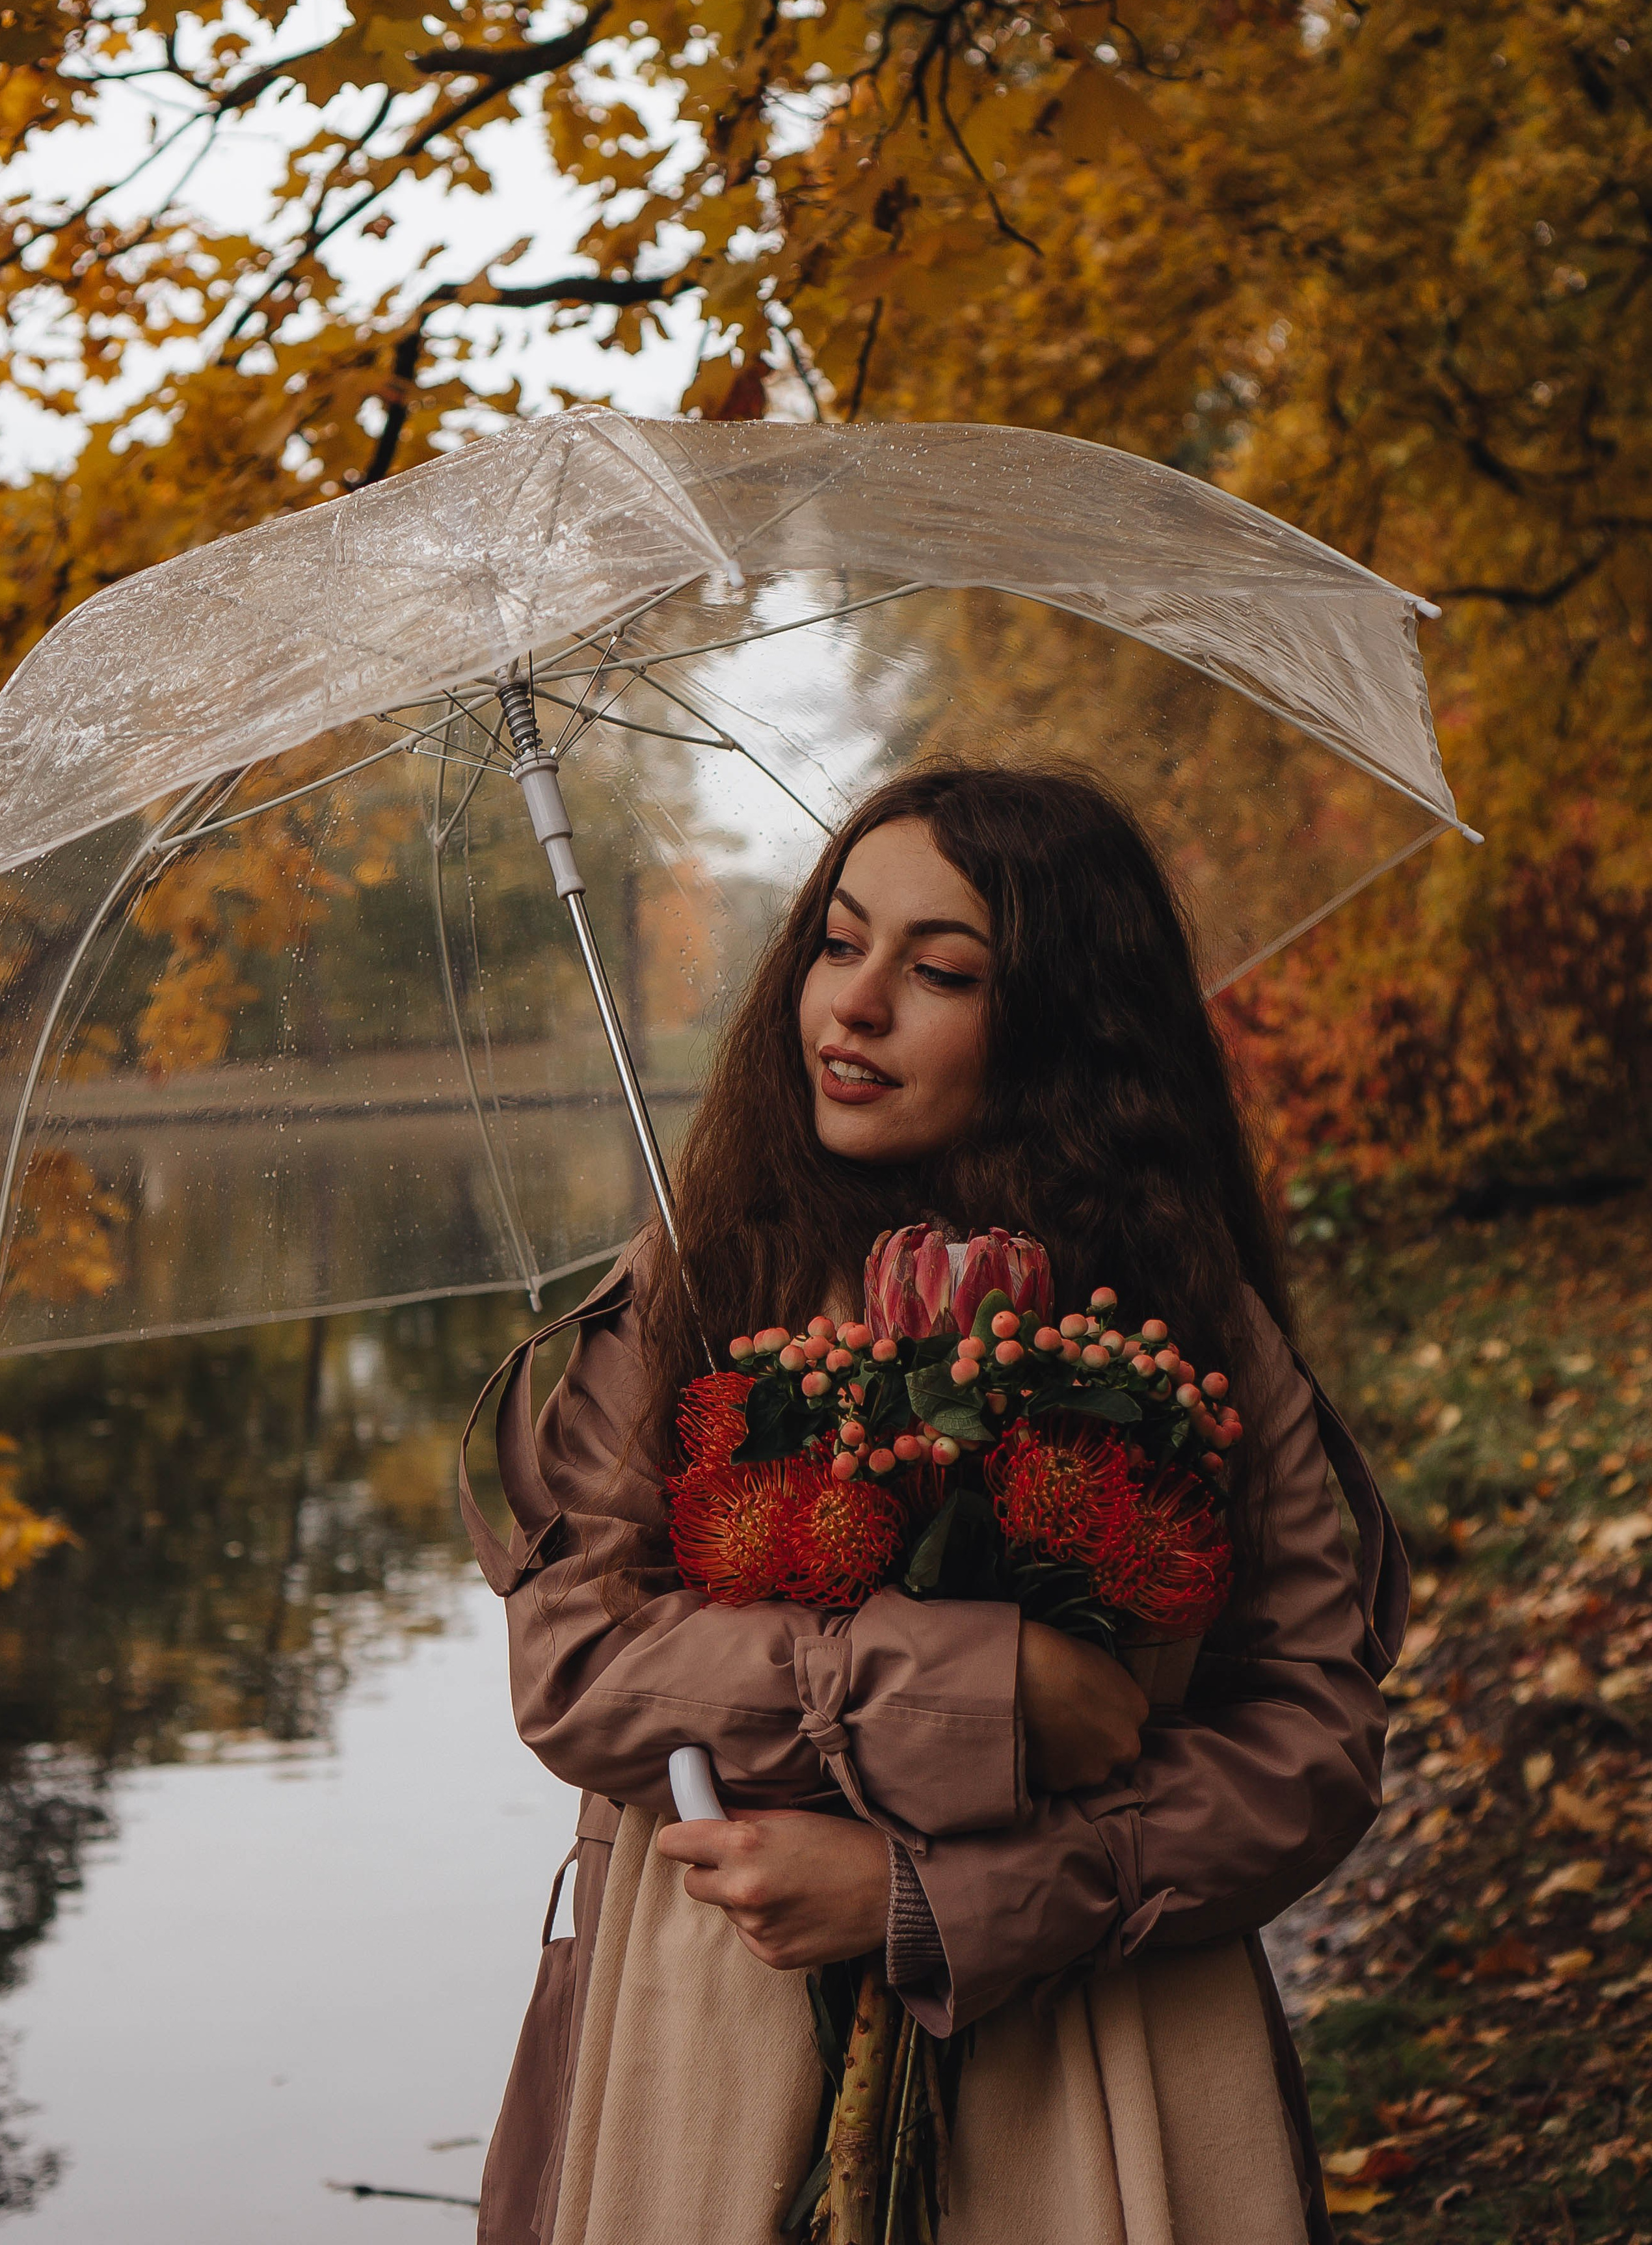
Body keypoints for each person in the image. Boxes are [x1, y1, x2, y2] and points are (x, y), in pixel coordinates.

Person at [460, 764, 1406, 2245]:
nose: (853, 1006)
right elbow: (577, 1667)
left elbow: (1312, 1737)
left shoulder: (1183, 1315)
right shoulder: (693, 1280)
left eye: (939, 969)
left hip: (1094, 2055)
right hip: (719, 2026)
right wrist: (979, 1684)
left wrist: (936, 1903)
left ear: (1056, 1025)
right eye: (837, 945)